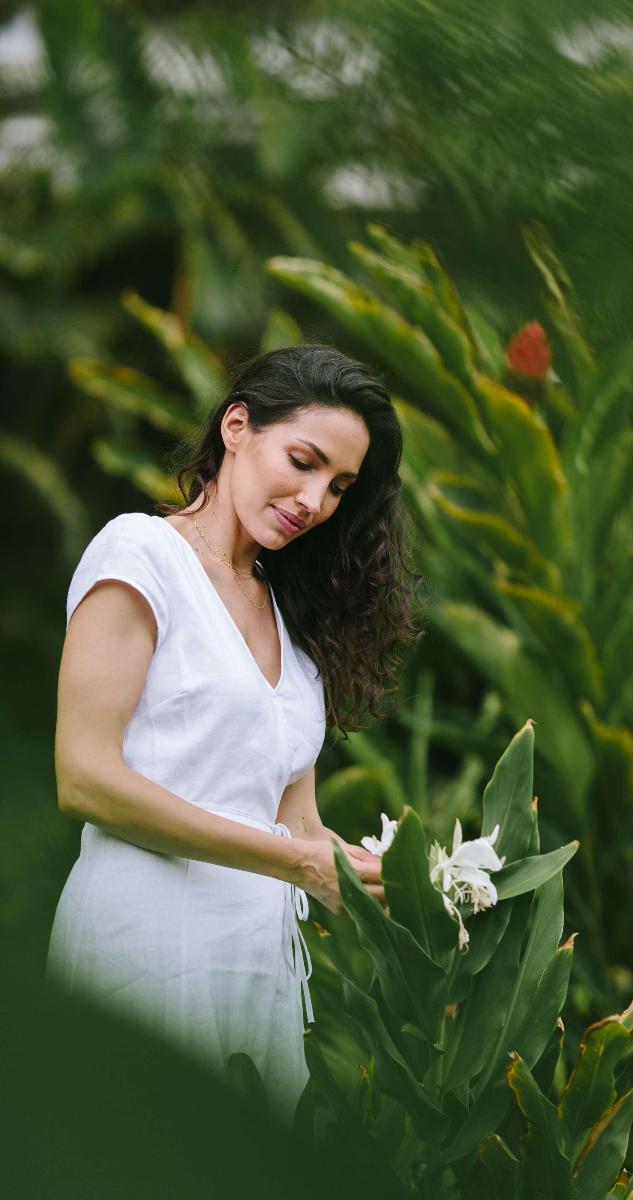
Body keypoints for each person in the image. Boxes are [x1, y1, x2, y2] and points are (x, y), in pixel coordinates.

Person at [46, 343, 421, 1119]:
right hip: (142, 953)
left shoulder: (288, 615)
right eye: (304, 461)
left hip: (254, 969)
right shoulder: (141, 554)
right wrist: (295, 864)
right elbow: (83, 777)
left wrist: (394, 878)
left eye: (340, 487)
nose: (315, 499)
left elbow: (295, 825)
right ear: (238, 426)